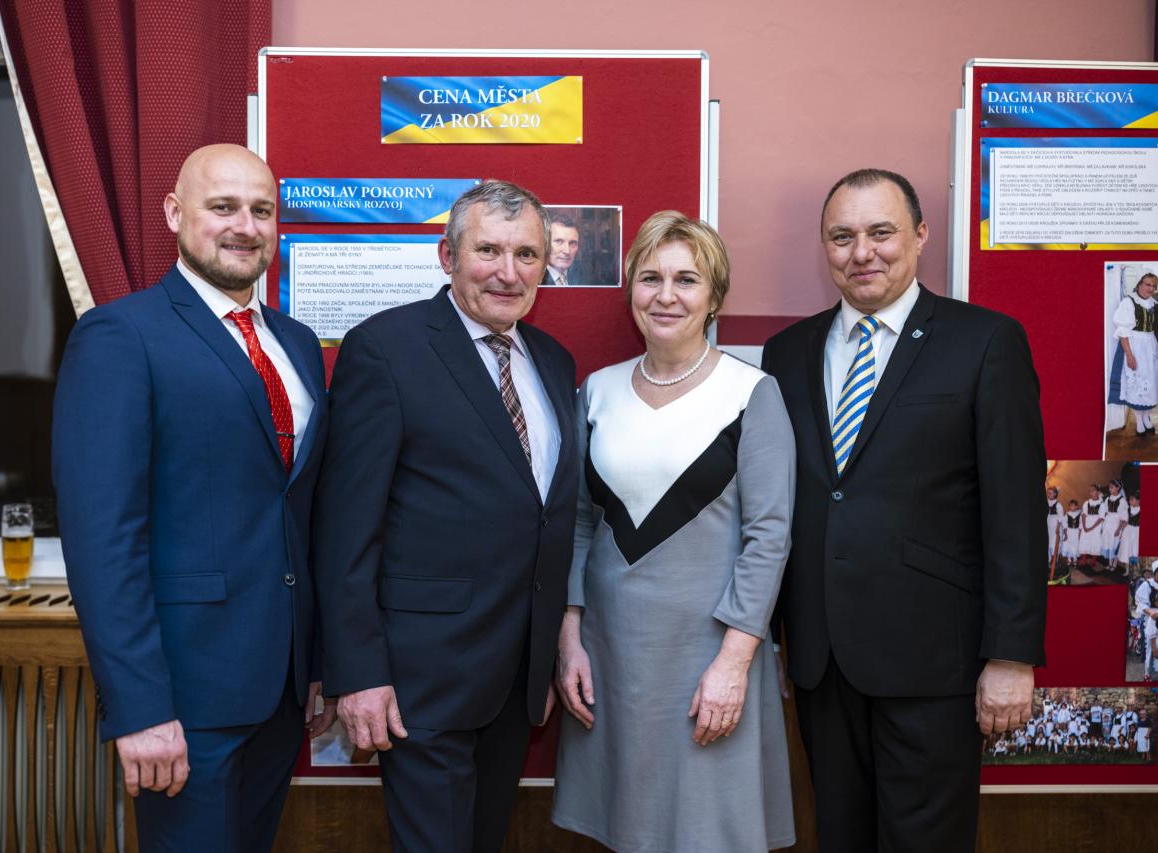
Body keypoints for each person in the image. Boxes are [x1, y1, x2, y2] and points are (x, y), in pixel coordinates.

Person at [51, 144, 334, 850]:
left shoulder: (297, 344)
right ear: (176, 214)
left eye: (262, 210)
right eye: (223, 206)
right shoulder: (120, 335)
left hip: (281, 691)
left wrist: (319, 664)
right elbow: (103, 540)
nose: (246, 225)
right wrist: (140, 707)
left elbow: (300, 516)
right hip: (182, 698)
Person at [760, 168, 1047, 852]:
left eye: (881, 232)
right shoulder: (786, 353)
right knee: (840, 837)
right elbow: (779, 502)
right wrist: (770, 636)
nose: (862, 252)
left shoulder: (985, 341)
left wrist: (1012, 656)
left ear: (920, 236)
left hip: (935, 664)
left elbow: (1016, 513)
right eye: (842, 236)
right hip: (822, 660)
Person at [311, 180, 578, 852]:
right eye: (488, 250)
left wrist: (545, 654)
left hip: (515, 680)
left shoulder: (552, 360)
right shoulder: (386, 349)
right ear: (447, 255)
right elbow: (345, 530)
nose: (508, 272)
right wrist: (358, 673)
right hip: (419, 680)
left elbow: (545, 518)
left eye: (526, 254)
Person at [552, 211, 796, 852]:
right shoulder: (597, 392)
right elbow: (578, 524)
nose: (666, 296)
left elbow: (769, 538)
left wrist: (734, 664)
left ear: (715, 297)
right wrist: (569, 640)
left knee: (708, 829)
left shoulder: (752, 394)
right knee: (624, 825)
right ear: (630, 288)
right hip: (609, 653)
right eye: (650, 278)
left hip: (709, 655)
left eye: (686, 280)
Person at [1109, 273, 1158, 433]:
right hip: (1135, 346)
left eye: (1154, 286)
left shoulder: (1154, 304)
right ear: (1139, 284)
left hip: (1150, 347)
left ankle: (1146, 418)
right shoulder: (1128, 302)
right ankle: (1139, 422)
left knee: (1151, 385)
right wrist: (1129, 356)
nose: (1150, 289)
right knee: (1137, 385)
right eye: (1147, 284)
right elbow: (1123, 332)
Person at [542, 214, 580, 286]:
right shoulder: (536, 279)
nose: (567, 251)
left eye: (572, 243)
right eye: (559, 241)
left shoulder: (584, 277)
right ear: (545, 244)